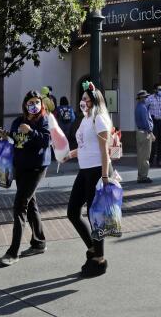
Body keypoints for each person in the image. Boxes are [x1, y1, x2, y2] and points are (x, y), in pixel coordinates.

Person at [63, 82, 113, 277]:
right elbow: (85, 146)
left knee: (95, 217)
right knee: (72, 212)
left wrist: (104, 176)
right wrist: (70, 154)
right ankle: (93, 248)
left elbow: (104, 151)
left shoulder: (99, 119)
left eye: (86, 99)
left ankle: (99, 259)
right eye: (82, 99)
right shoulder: (86, 119)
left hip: (95, 171)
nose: (82, 102)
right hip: (83, 170)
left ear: (94, 101)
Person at [0, 90, 52, 266]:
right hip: (20, 167)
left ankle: (13, 252)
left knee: (20, 205)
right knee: (31, 205)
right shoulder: (18, 121)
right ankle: (39, 242)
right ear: (25, 105)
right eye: (31, 102)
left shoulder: (43, 120)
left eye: (37, 102)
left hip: (37, 168)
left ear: (42, 105)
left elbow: (46, 141)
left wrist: (31, 131)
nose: (34, 105)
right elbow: (15, 140)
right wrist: (6, 136)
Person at [144, 84, 161, 166]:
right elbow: (144, 109)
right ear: (155, 90)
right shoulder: (149, 98)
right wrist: (148, 119)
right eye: (159, 89)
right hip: (154, 121)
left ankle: (159, 160)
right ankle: (151, 160)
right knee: (153, 141)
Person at [133, 89, 154, 183]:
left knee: (141, 156)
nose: (147, 98)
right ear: (141, 98)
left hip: (140, 132)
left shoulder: (138, 107)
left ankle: (140, 175)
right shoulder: (143, 107)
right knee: (145, 157)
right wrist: (151, 133)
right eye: (146, 97)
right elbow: (146, 122)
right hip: (145, 133)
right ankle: (143, 177)